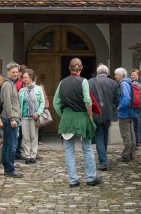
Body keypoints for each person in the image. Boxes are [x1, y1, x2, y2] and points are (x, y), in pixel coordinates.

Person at [53, 57, 101, 188]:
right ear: (81, 68)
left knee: (69, 151)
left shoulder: (62, 82)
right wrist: (90, 116)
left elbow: (56, 102)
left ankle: (73, 180)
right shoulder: (84, 81)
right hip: (82, 117)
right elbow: (87, 100)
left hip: (67, 117)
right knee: (87, 148)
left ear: (69, 68)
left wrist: (63, 115)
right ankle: (91, 178)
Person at [89, 63, 119, 171]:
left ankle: (103, 161)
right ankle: (103, 157)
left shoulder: (91, 82)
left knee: (99, 136)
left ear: (97, 73)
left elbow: (87, 98)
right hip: (108, 113)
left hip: (96, 112)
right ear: (107, 73)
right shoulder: (113, 83)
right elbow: (116, 100)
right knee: (105, 135)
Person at [0, 62, 23, 178]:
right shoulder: (7, 85)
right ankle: (10, 169)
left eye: (16, 72)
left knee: (7, 143)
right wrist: (12, 119)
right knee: (12, 144)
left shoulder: (11, 84)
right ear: (7, 72)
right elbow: (7, 104)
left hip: (11, 117)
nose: (15, 74)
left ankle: (7, 167)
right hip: (11, 118)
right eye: (13, 72)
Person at [18, 69, 45, 164]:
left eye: (26, 77)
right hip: (24, 116)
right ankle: (27, 155)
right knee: (26, 137)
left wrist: (38, 113)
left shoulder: (38, 89)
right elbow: (18, 103)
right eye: (23, 77)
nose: (24, 79)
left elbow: (42, 102)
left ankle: (33, 155)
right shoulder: (21, 90)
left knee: (34, 136)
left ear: (31, 78)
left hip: (34, 116)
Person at [114, 67, 137, 162]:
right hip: (131, 112)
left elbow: (126, 98)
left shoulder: (123, 84)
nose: (115, 76)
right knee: (131, 134)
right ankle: (131, 154)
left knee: (126, 134)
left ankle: (126, 155)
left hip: (125, 113)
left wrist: (120, 106)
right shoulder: (129, 82)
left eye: (117, 75)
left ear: (121, 75)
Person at [36, 73, 49, 145]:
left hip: (40, 106)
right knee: (38, 123)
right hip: (36, 107)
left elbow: (44, 96)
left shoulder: (41, 86)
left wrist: (46, 105)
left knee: (41, 122)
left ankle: (39, 139)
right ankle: (38, 139)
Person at [131, 69, 141, 148]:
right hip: (138, 106)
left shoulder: (133, 84)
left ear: (138, 76)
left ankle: (138, 142)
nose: (133, 76)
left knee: (136, 125)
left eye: (134, 75)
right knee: (137, 125)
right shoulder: (140, 84)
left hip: (135, 107)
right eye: (132, 75)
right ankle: (139, 142)